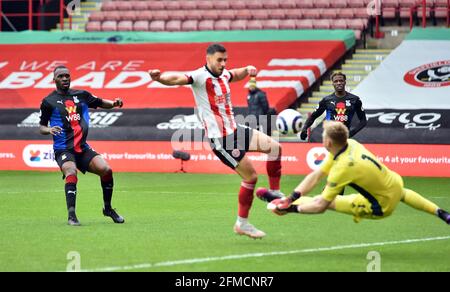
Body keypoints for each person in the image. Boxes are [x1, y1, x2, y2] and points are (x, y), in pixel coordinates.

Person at [149, 43, 283, 239]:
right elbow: (177, 78)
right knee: (251, 177)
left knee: (275, 148)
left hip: (236, 129)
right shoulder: (199, 77)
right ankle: (242, 224)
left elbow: (235, 74)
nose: (223, 64)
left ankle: (275, 193)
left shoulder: (224, 74)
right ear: (208, 58)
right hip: (221, 139)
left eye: (225, 60)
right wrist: (159, 78)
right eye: (219, 60)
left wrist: (246, 70)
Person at [257, 121, 450, 225]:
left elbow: (320, 206)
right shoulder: (351, 144)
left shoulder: (342, 169)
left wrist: (291, 209)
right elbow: (316, 175)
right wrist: (292, 197)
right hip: (395, 184)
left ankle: (278, 202)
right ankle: (442, 213)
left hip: (380, 206)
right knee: (401, 193)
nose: (322, 140)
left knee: (328, 201)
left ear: (329, 143)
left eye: (324, 137)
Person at [39, 65, 125, 226]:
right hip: (63, 148)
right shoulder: (48, 101)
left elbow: (99, 102)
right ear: (54, 80)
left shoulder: (82, 95)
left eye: (67, 75)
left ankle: (108, 209)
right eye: (61, 76)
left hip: (82, 147)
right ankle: (72, 215)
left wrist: (113, 103)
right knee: (71, 171)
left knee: (106, 170)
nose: (65, 78)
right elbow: (41, 127)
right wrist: (49, 129)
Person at [300, 72, 367, 141]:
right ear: (332, 83)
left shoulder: (355, 100)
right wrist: (304, 129)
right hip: (330, 138)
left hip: (345, 138)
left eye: (341, 80)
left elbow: (363, 121)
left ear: (345, 82)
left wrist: (351, 133)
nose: (338, 83)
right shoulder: (326, 100)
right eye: (336, 81)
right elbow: (313, 116)